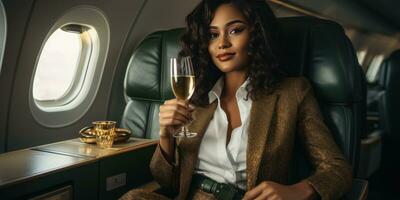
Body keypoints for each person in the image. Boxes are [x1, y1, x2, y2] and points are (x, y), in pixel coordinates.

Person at [120, 0, 352, 199]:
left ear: (256, 34)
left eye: (235, 30)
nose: (222, 43)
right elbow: (168, 182)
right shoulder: (195, 97)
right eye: (213, 35)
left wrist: (296, 191)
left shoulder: (292, 93)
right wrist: (166, 136)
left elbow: (337, 169)